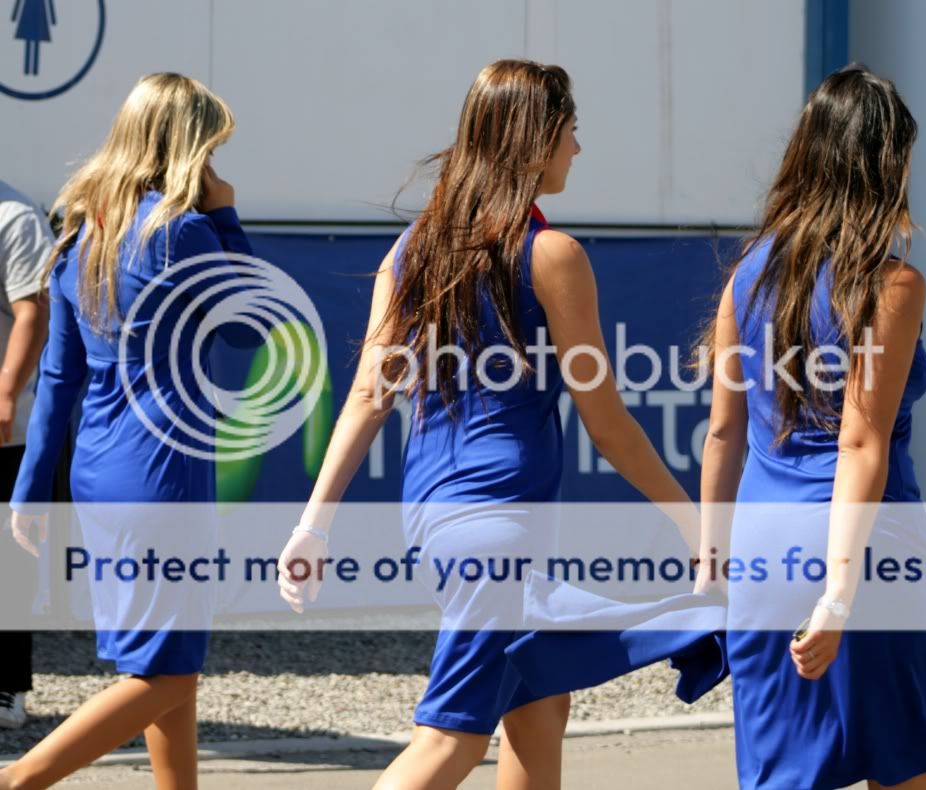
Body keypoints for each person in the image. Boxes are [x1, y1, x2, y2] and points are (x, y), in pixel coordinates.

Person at [276, 59, 701, 790]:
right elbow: (607, 426)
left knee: (540, 706)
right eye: (570, 130)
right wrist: (696, 525)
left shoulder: (413, 249)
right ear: (535, 141)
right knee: (450, 740)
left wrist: (313, 525)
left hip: (438, 520)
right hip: (496, 529)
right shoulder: (552, 254)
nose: (578, 148)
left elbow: (370, 396)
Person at [1, 72, 260, 790]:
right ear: (187, 150)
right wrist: (227, 216)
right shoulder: (184, 231)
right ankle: (18, 779)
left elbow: (58, 381)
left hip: (101, 469)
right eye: (210, 148)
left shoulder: (82, 231)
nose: (215, 165)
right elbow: (249, 327)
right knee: (166, 673)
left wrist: (30, 491)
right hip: (162, 473)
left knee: (164, 663)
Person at [699, 66, 926, 788]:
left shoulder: (747, 275)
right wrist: (837, 598)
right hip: (869, 548)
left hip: (763, 549)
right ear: (886, 164)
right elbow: (860, 442)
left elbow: (723, 434)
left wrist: (711, 560)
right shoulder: (890, 285)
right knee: (898, 768)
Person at [0, 179, 53, 730]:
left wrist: (6, 392)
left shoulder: (14, 217)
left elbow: (33, 313)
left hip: (5, 433)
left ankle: (7, 684)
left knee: (6, 563)